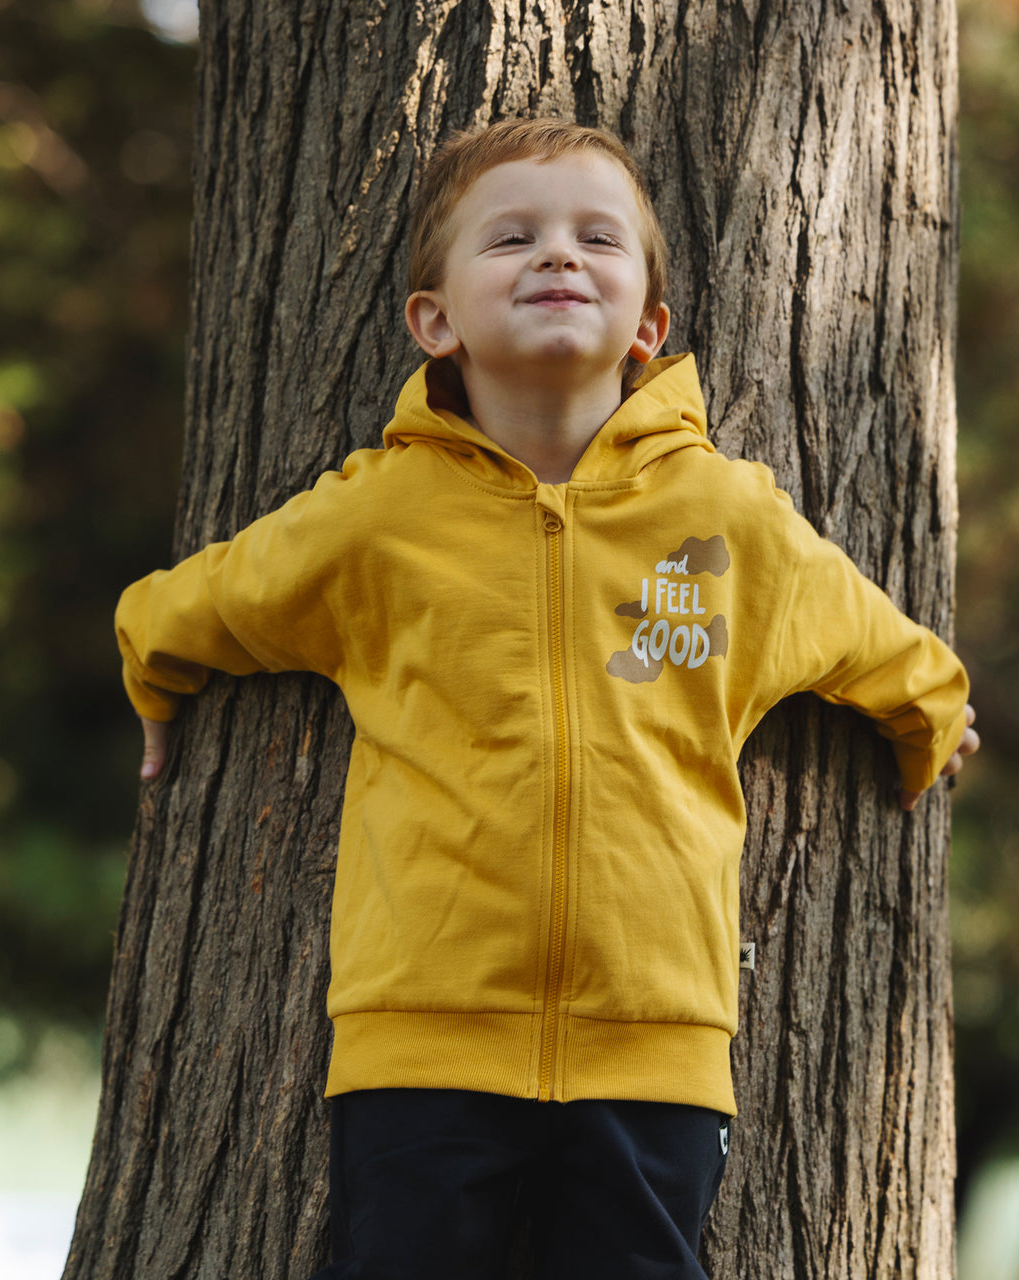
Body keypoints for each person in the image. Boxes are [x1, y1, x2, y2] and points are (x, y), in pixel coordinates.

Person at [115, 118, 979, 1279]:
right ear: (435, 321)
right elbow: (214, 597)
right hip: (422, 1037)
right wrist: (153, 668)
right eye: (511, 237)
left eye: (595, 239)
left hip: (655, 1043)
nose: (557, 256)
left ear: (648, 326)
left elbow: (874, 637)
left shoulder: (729, 520)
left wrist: (929, 709)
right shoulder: (380, 516)